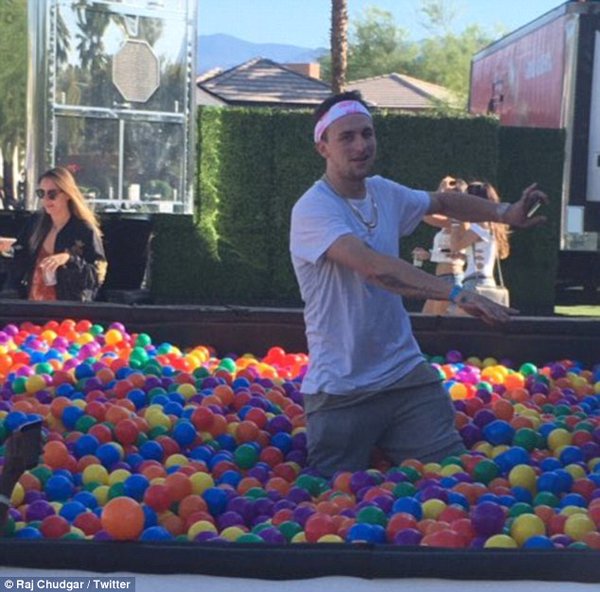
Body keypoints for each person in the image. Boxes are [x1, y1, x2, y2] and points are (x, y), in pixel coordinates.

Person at [289, 91, 547, 478]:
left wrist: (503, 212)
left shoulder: (384, 192)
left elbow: (442, 202)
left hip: (406, 379)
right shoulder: (314, 208)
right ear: (322, 146)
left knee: (454, 486)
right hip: (341, 390)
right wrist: (457, 293)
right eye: (347, 137)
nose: (361, 145)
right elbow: (376, 269)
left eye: (367, 133)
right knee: (334, 506)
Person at [0, 166, 107, 301]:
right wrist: (7, 249)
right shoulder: (36, 223)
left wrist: (69, 259)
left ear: (67, 194)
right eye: (41, 193)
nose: (46, 199)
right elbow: (20, 257)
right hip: (32, 306)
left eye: (52, 194)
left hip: (67, 311)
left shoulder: (83, 230)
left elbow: (98, 274)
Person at [412, 176, 469, 315]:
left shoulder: (460, 221)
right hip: (441, 277)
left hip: (451, 277)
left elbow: (426, 214)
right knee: (426, 324)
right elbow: (448, 251)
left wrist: (440, 191)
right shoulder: (451, 222)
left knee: (438, 326)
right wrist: (430, 255)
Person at [450, 181, 510, 293]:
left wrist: (455, 220)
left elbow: (455, 246)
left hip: (475, 282)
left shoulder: (480, 225)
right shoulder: (492, 225)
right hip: (486, 281)